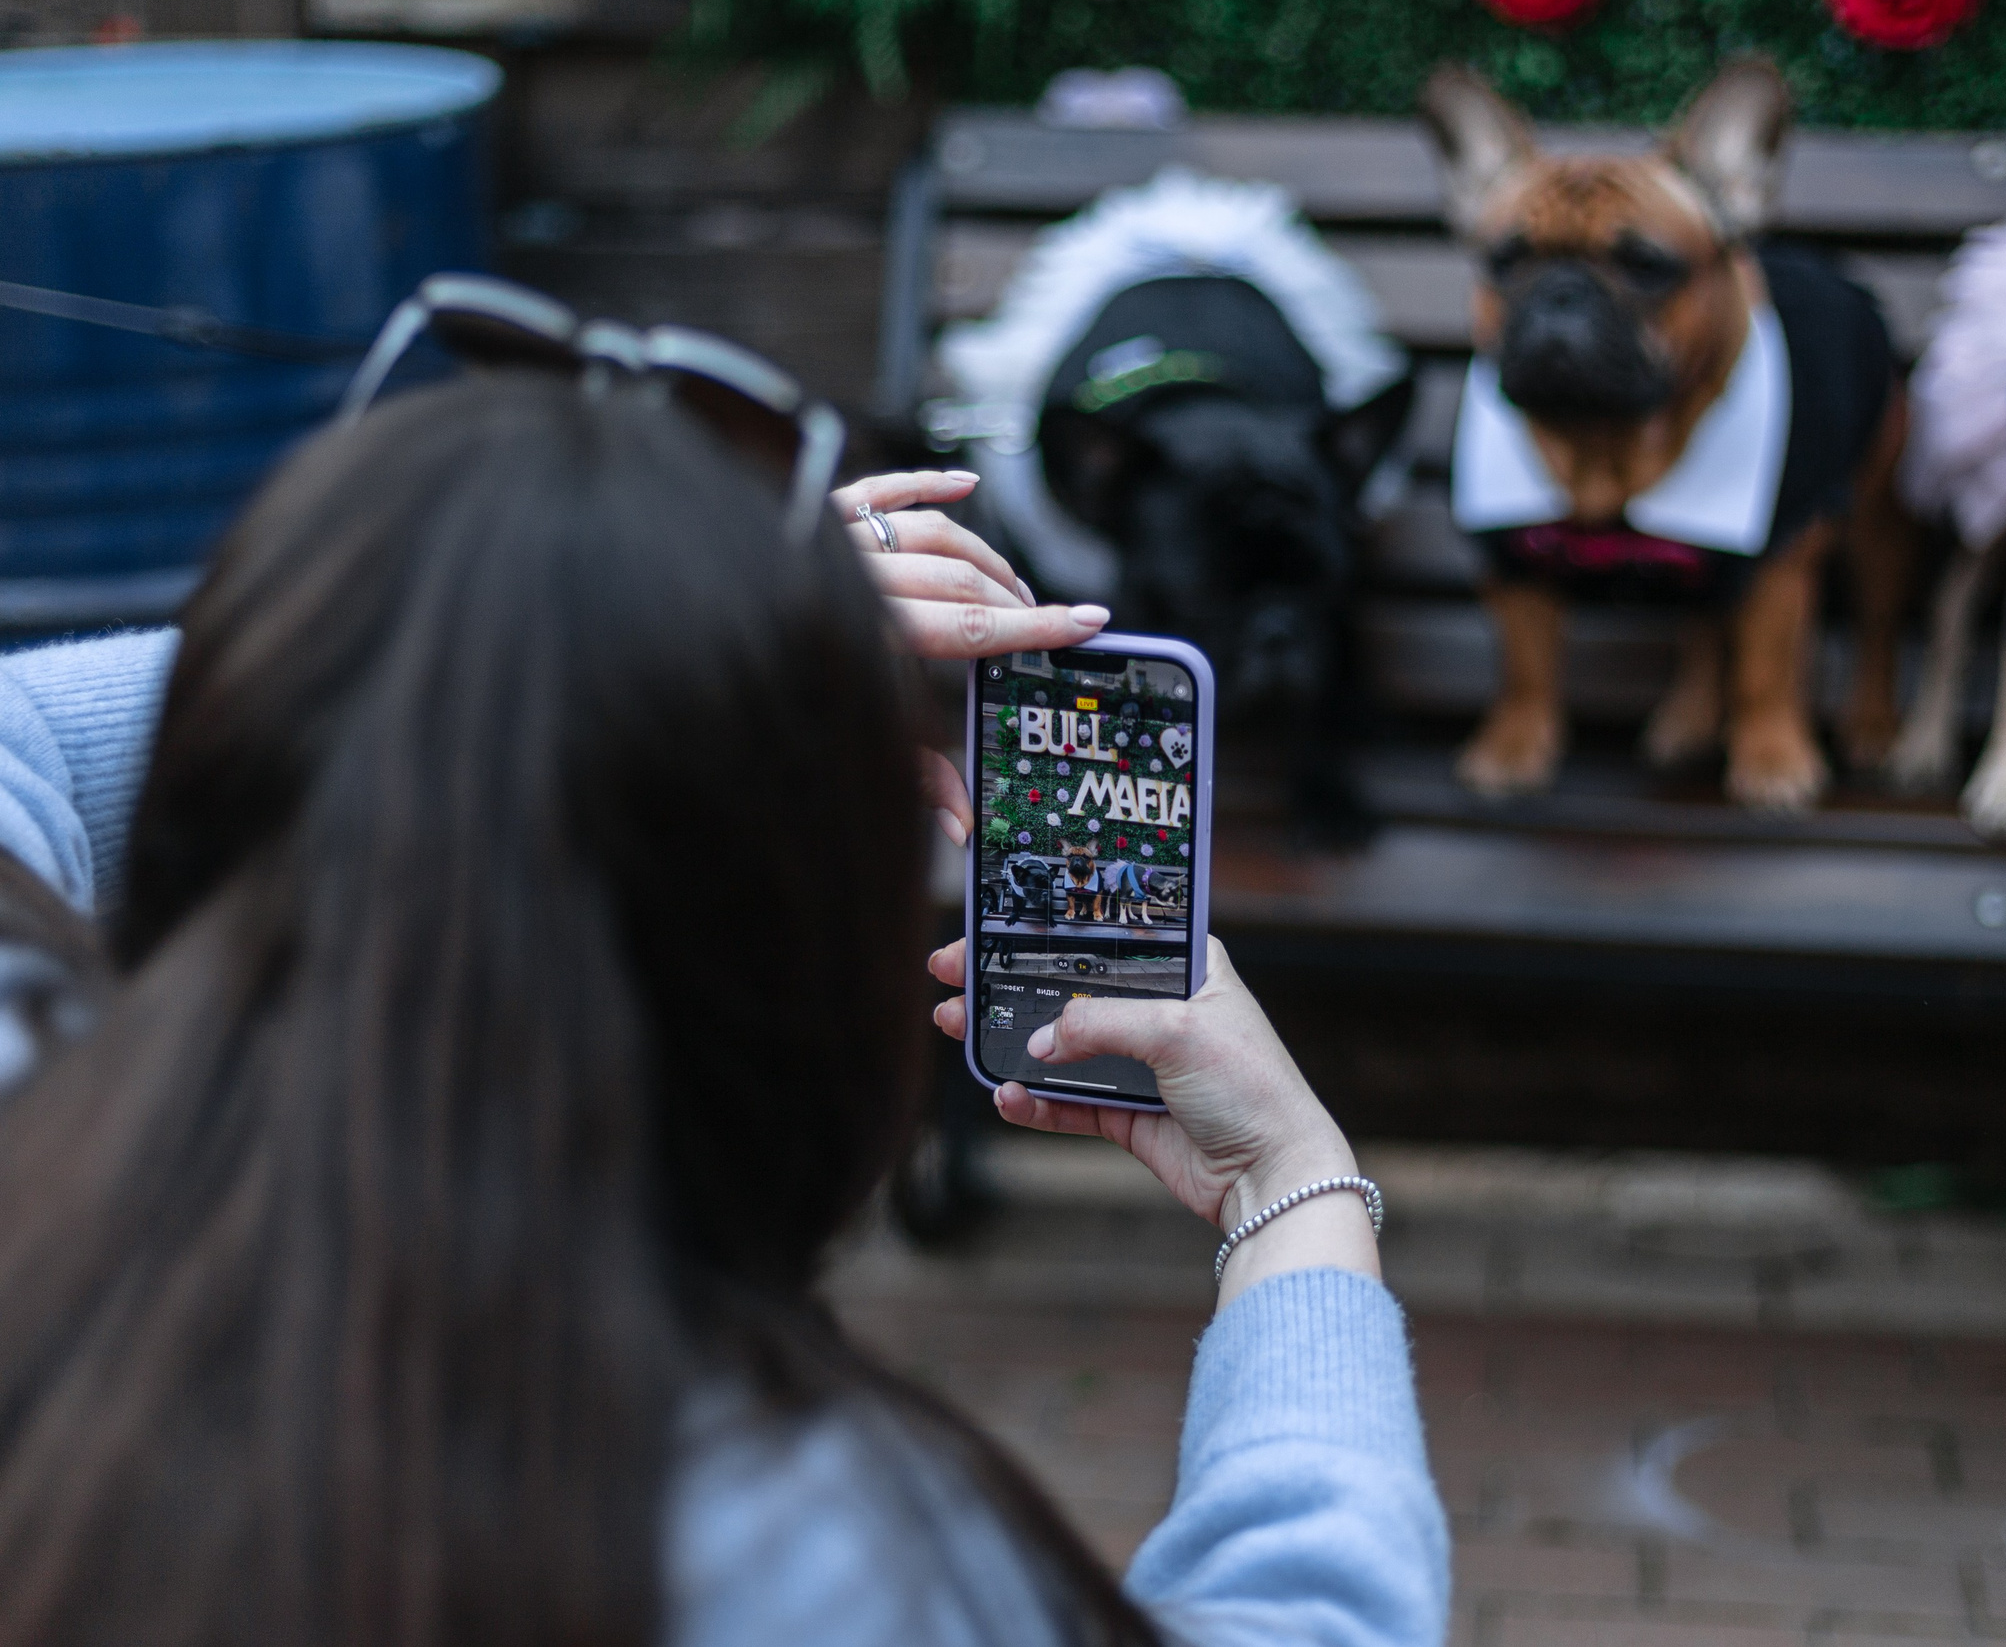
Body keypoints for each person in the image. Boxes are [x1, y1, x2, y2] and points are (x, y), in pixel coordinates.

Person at [0, 369, 1446, 1646]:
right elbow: (1316, 1615)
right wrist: (1293, 1186)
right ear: (793, 1000)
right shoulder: (811, 1555)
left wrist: (457, 669)